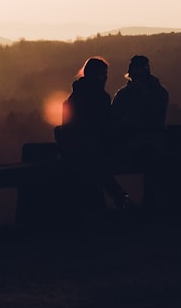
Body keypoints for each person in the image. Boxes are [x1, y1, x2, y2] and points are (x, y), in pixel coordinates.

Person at [55, 57, 131, 209]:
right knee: (98, 166)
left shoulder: (74, 96)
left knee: (94, 169)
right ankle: (119, 197)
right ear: (97, 75)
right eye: (104, 74)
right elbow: (106, 127)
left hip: (73, 150)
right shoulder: (100, 98)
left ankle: (117, 197)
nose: (106, 78)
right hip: (92, 150)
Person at [109, 55, 170, 206]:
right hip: (135, 142)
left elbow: (154, 117)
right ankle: (141, 202)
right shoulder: (125, 95)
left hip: (147, 142)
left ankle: (140, 201)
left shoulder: (155, 94)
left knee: (151, 156)